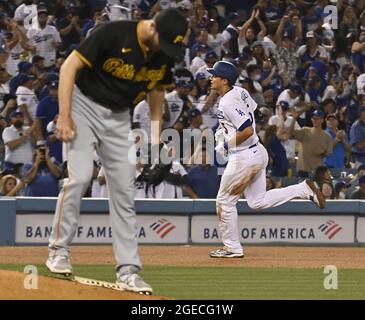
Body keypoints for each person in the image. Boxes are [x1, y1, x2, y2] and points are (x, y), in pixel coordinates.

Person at [46, 8, 188, 295]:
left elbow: (157, 93)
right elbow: (69, 67)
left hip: (120, 117)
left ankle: (128, 270)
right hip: (84, 105)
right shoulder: (115, 33)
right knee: (80, 176)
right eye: (167, 41)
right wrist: (64, 114)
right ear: (153, 27)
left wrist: (157, 140)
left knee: (124, 191)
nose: (168, 50)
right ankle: (58, 251)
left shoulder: (163, 54)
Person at [207, 61, 326, 258]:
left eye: (214, 75)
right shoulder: (240, 91)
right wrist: (227, 131)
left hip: (244, 156)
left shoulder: (228, 101)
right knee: (257, 202)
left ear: (224, 80)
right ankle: (302, 189)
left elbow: (246, 129)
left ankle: (232, 248)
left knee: (224, 201)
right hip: (257, 152)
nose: (211, 77)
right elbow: (255, 113)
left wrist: (227, 144)